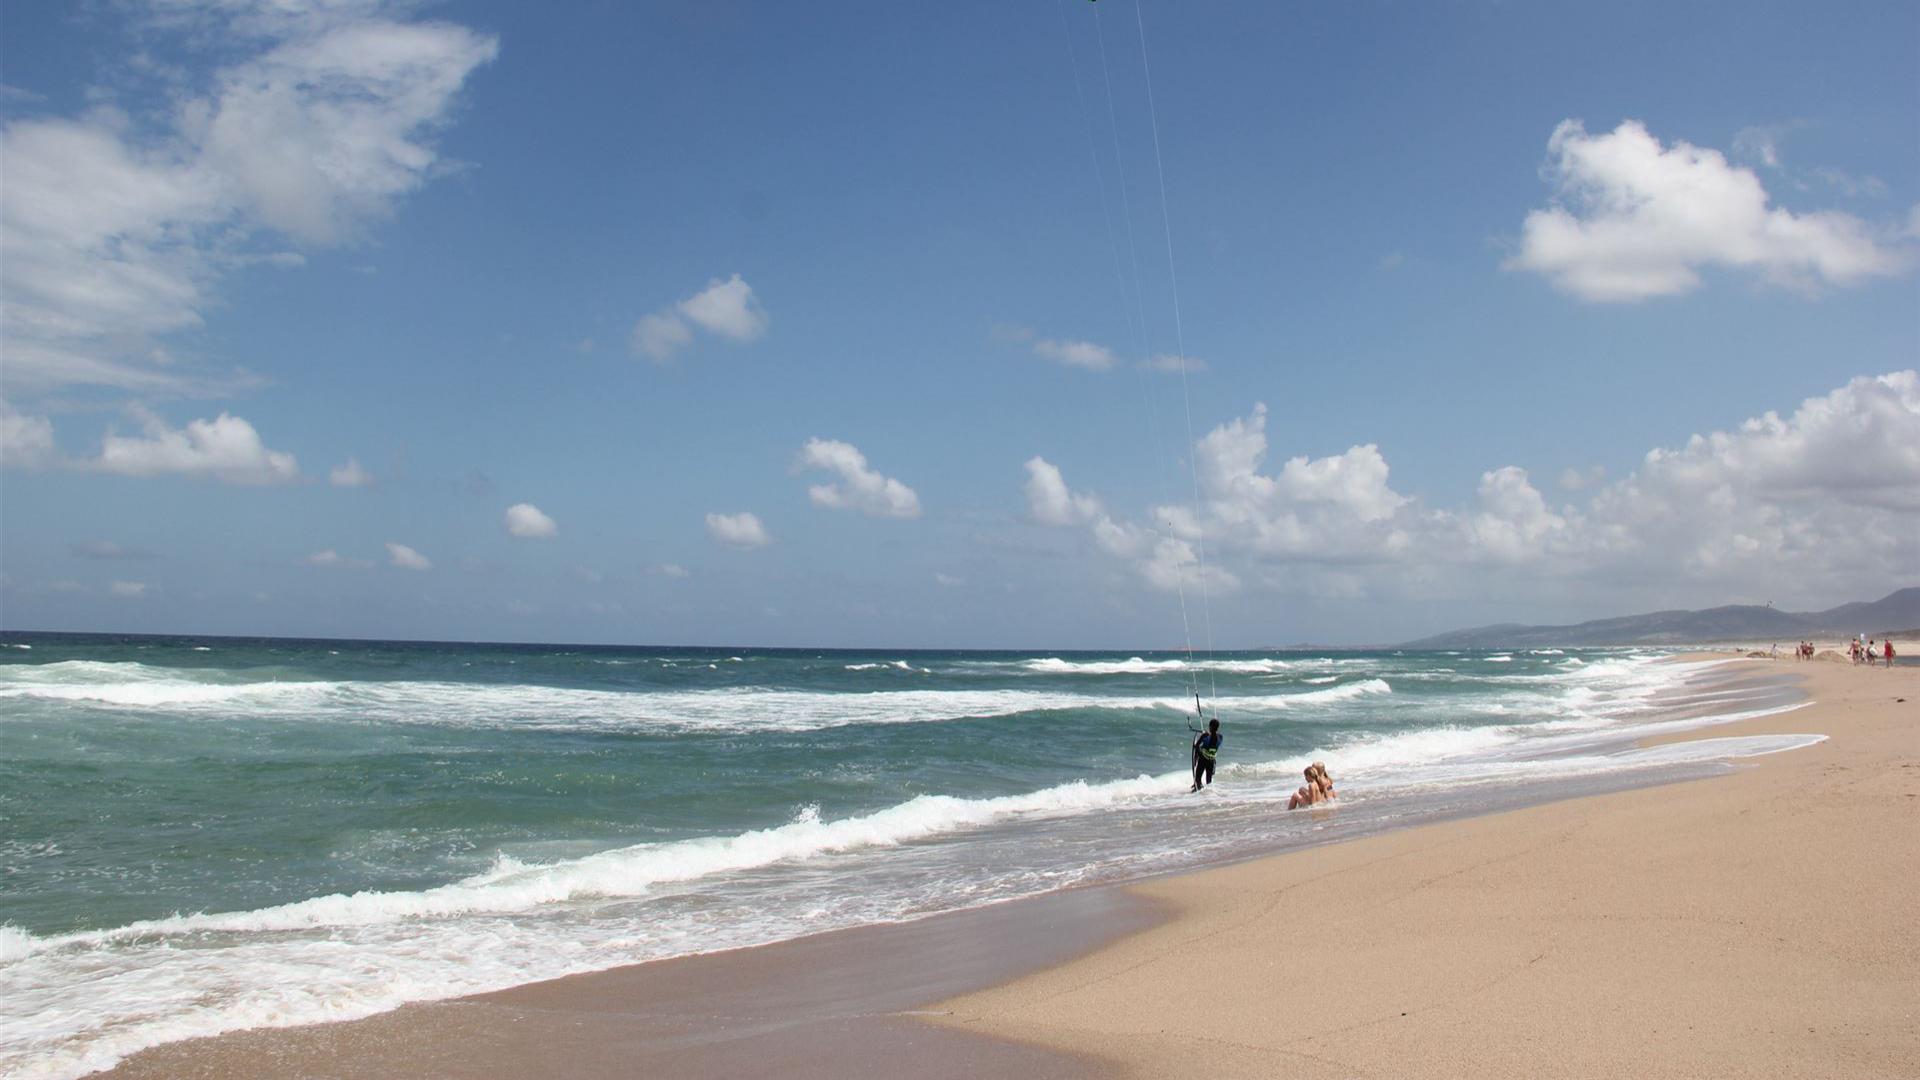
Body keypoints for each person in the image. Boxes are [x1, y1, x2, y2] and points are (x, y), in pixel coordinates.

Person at [1190, 717, 1222, 792]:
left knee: (1197, 779)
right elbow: (1212, 743)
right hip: (1211, 761)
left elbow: (1196, 746)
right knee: (1209, 780)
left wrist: (1196, 756)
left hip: (1203, 760)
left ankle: (1198, 790)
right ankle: (1208, 795)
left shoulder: (1205, 736)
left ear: (1210, 726)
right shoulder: (1220, 737)